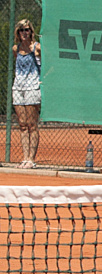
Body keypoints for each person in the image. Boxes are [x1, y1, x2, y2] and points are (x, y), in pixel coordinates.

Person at [12, 19, 41, 169]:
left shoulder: (37, 48)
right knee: (22, 125)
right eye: (21, 30)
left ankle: (31, 159)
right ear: (18, 32)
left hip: (33, 88)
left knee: (32, 125)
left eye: (27, 29)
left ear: (31, 31)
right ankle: (24, 158)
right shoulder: (15, 48)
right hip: (18, 88)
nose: (24, 32)